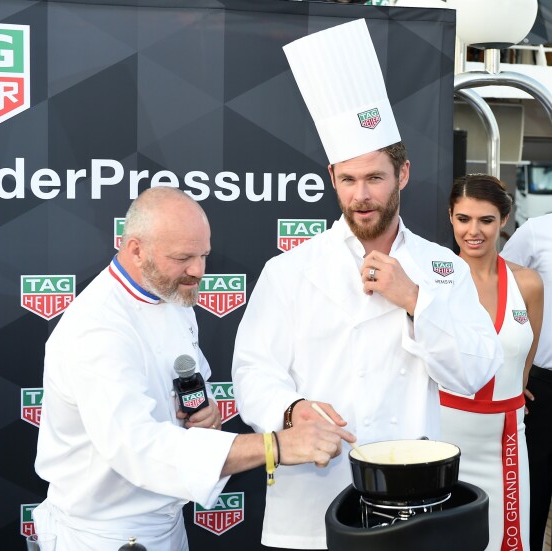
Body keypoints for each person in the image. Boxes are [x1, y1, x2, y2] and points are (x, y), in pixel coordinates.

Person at [231, 19, 503, 550]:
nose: (361, 195)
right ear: (332, 178)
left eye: (375, 178)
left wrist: (415, 302)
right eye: (349, 179)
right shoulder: (289, 270)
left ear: (402, 175)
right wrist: (290, 411)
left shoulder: (439, 267)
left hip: (414, 500)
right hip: (312, 497)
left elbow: (475, 372)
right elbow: (252, 372)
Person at [33, 186, 355, 551]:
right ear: (136, 250)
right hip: (100, 537)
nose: (198, 271)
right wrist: (274, 445)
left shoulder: (173, 297)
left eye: (204, 255)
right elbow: (138, 448)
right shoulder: (97, 329)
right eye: (183, 257)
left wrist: (205, 418)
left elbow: (186, 394)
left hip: (167, 526)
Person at [439, 174, 543, 551]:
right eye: (463, 219)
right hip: (442, 438)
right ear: (450, 217)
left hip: (506, 440)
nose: (473, 231)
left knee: (507, 542)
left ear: (504, 219)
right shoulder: (433, 280)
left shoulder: (528, 284)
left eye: (485, 220)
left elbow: (523, 364)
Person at [501, 207, 552, 551]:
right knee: (531, 491)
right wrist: (513, 369)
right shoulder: (539, 231)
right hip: (545, 389)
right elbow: (494, 279)